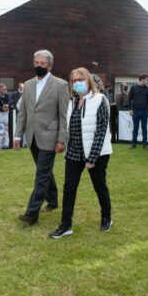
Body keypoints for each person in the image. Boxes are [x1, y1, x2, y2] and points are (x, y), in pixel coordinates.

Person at [49, 68, 113, 239]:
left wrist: (92, 158)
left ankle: (106, 217)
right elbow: (70, 130)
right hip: (74, 152)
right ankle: (65, 225)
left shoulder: (100, 100)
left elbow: (101, 130)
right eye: (74, 80)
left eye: (80, 79)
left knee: (99, 186)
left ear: (88, 80)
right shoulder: (72, 102)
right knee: (69, 188)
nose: (77, 83)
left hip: (96, 153)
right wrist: (66, 150)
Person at [14, 49, 70, 225]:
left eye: (42, 64)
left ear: (50, 65)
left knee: (41, 175)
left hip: (50, 136)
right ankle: (53, 201)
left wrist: (62, 139)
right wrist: (17, 135)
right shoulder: (28, 85)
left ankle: (32, 213)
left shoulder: (61, 85)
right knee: (45, 172)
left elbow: (64, 115)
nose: (39, 66)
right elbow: (23, 112)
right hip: (32, 137)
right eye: (36, 63)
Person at [128, 75, 148, 149]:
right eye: (146, 79)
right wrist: (130, 109)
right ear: (142, 79)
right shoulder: (133, 88)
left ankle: (144, 144)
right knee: (135, 127)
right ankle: (133, 143)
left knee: (144, 128)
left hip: (145, 110)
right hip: (135, 110)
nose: (147, 81)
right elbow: (129, 98)